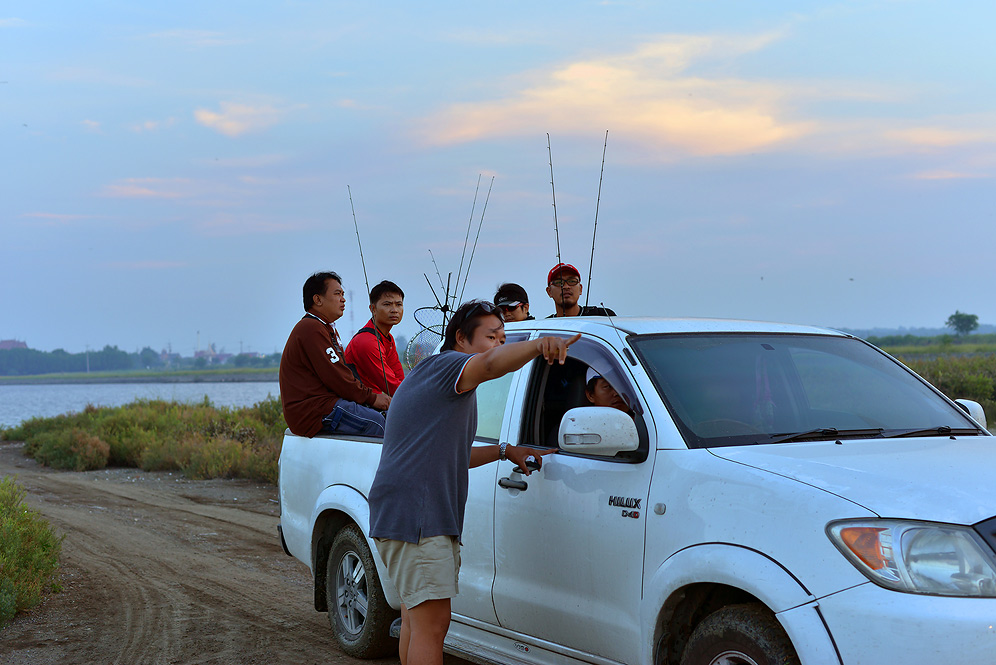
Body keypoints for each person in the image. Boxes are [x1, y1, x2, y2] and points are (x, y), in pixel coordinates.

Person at [368, 300, 579, 665]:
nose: (498, 344)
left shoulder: (435, 376)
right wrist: (539, 344)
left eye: (502, 337)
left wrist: (503, 451)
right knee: (432, 626)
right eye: (491, 337)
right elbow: (490, 365)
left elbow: (455, 455)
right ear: (461, 339)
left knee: (416, 623)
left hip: (406, 515)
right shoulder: (450, 367)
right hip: (419, 519)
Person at [279, 271, 391, 438]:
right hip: (314, 411)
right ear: (317, 299)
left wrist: (370, 396)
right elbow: (337, 377)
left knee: (388, 417)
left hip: (326, 404)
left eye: (343, 294)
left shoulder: (324, 327)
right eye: (337, 294)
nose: (343, 299)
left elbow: (342, 374)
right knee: (377, 424)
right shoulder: (311, 328)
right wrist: (372, 398)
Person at [344, 280, 406, 396]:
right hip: (360, 403)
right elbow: (390, 386)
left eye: (399, 304)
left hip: (376, 400)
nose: (394, 310)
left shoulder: (388, 338)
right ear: (373, 309)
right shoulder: (367, 342)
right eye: (387, 304)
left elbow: (399, 378)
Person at [545, 262, 616, 318]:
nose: (566, 287)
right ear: (549, 292)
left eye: (572, 281)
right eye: (559, 282)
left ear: (580, 289)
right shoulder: (545, 327)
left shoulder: (603, 316)